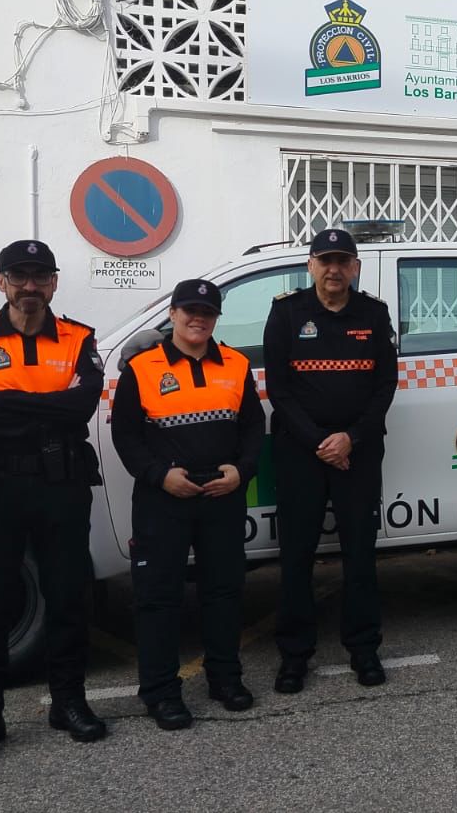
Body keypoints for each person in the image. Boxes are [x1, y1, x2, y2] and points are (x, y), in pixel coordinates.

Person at [0, 239, 106, 768]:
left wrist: (8, 400)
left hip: (61, 484)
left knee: (67, 597)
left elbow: (81, 407)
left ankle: (69, 703)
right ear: (1, 282)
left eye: (40, 276)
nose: (30, 286)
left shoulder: (80, 338)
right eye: (19, 276)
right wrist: (47, 408)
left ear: (54, 283)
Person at [111, 278, 265, 729]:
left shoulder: (236, 364)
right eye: (189, 310)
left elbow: (253, 427)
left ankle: (225, 679)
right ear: (173, 314)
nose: (198, 318)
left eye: (207, 311)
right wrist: (160, 476)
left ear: (216, 318)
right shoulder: (142, 367)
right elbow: (125, 435)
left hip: (222, 495)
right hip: (164, 500)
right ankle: (161, 693)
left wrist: (242, 470)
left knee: (224, 592)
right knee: (158, 598)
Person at [265, 228, 398, 692]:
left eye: (343, 261)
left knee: (360, 554)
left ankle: (364, 649)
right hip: (300, 451)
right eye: (326, 261)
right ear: (311, 265)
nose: (334, 269)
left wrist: (351, 438)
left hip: (358, 449)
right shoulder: (287, 313)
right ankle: (294, 656)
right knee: (296, 555)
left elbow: (385, 386)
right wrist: (322, 442)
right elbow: (279, 389)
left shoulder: (374, 314)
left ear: (355, 267)